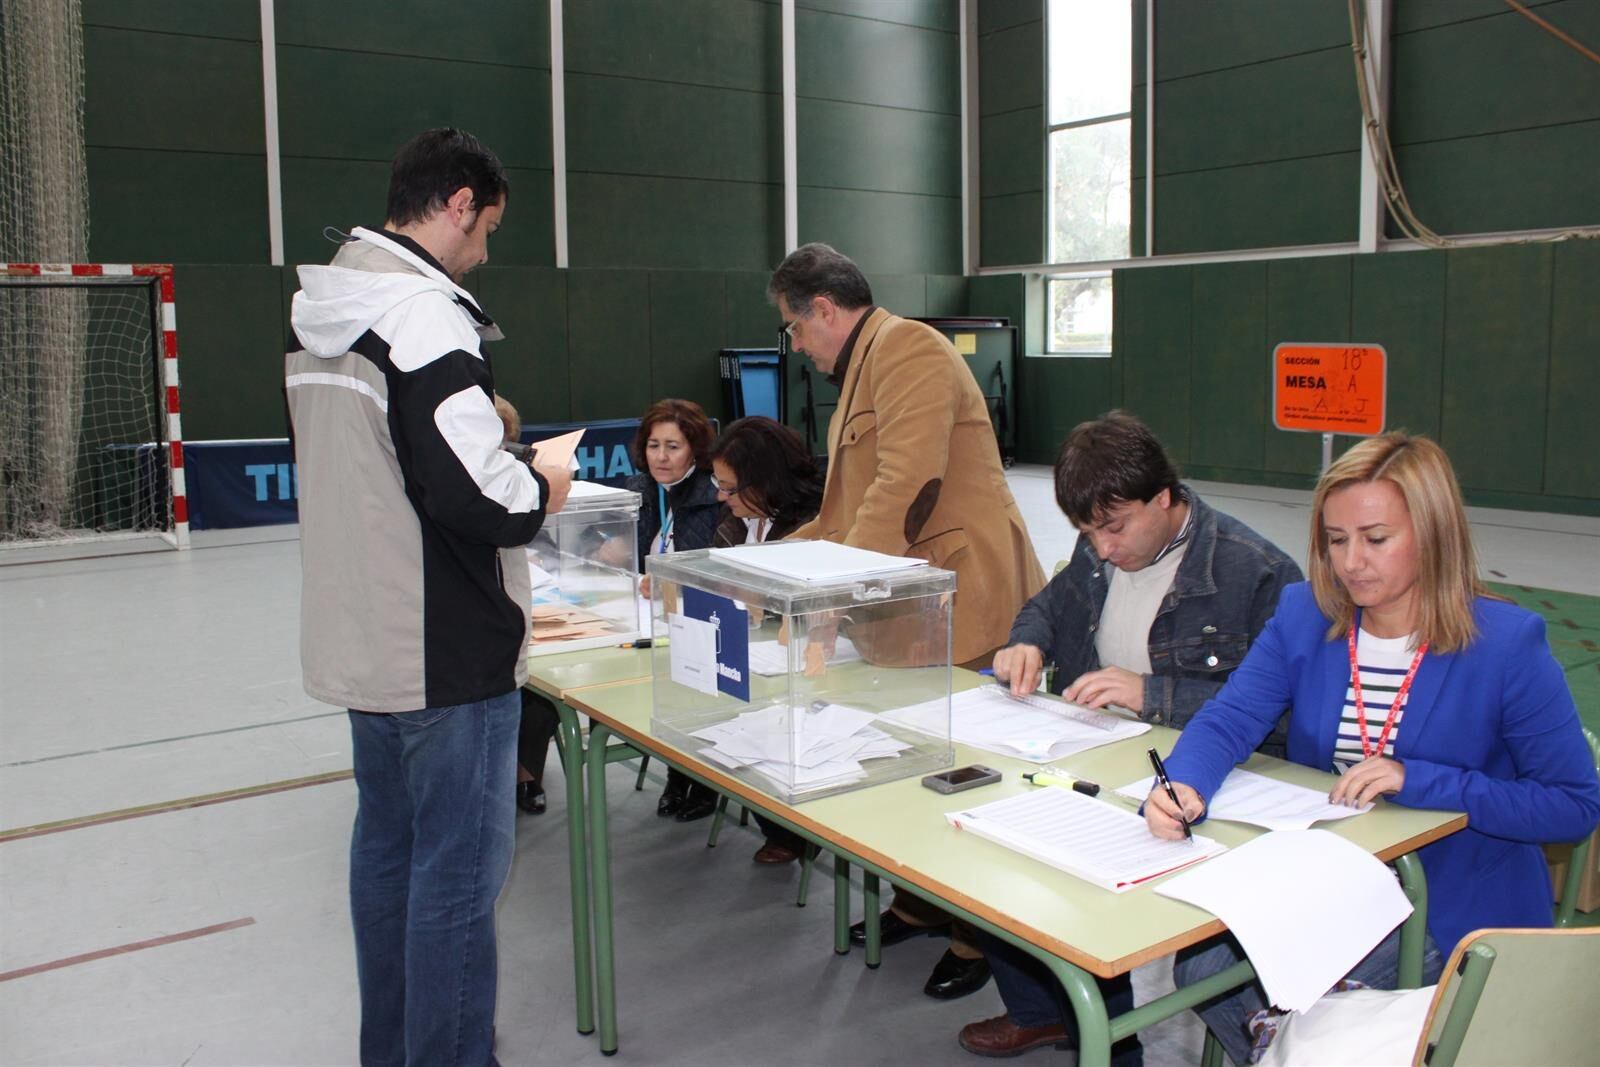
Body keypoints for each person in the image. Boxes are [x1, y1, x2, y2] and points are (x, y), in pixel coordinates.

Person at [1143, 432, 1600, 1067]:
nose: (1351, 561)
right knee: (1202, 964)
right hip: (1335, 874)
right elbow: (1232, 716)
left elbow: (1573, 806)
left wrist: (1420, 779)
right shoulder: (1306, 613)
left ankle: (1293, 1043)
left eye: (1376, 539)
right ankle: (1282, 1046)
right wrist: (1183, 782)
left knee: (1289, 990)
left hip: (1447, 902)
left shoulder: (1506, 644)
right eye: (1335, 540)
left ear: (1433, 533)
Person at [286, 127, 573, 1067]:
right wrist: (543, 482)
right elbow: (474, 494)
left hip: (366, 641)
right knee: (456, 880)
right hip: (445, 650)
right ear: (457, 204)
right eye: (486, 227)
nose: (485, 249)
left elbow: (390, 473)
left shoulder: (326, 307)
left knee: (388, 858)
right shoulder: (422, 315)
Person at [956, 412, 1303, 1060]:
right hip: (1106, 762)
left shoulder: (1256, 572)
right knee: (993, 848)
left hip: (1210, 789)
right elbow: (1048, 603)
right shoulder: (1097, 553)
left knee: (1108, 900)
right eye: (1089, 531)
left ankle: (1108, 1035)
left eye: (1115, 527)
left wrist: (1153, 693)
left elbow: (1284, 714)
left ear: (1165, 496)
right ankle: (1049, 1009)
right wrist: (1025, 639)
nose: (1103, 547)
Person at [769, 242, 1047, 1000]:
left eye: (794, 328)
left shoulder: (909, 350)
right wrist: (764, 568)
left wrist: (827, 591)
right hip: (909, 607)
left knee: (960, 773)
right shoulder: (868, 362)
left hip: (964, 601)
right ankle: (922, 902)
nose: (794, 345)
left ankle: (974, 934)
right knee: (908, 763)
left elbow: (905, 487)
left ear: (824, 309)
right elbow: (844, 508)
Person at [707, 415, 826, 863]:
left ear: (766, 481)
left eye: (731, 487)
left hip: (806, 668)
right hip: (753, 663)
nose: (721, 496)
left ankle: (794, 827)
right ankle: (777, 819)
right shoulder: (734, 519)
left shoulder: (813, 523)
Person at [624, 398, 724, 822]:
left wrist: (668, 581)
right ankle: (677, 769)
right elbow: (617, 547)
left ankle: (692, 779)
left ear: (695, 450)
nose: (661, 458)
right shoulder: (637, 491)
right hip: (642, 612)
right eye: (653, 446)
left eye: (673, 447)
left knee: (688, 683)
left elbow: (708, 567)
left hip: (696, 619)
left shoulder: (712, 496)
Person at [494, 395, 561, 817]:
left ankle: (525, 775)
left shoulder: (525, 478)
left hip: (538, 605)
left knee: (543, 696)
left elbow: (552, 543)